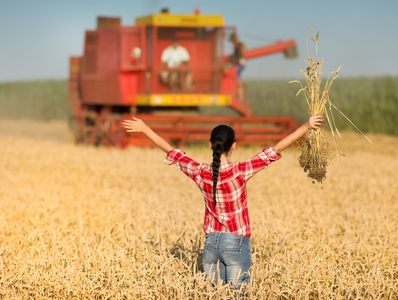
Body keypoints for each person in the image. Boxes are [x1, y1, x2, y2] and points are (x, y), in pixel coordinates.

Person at [122, 115, 324, 289]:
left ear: (210, 145)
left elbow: (172, 152)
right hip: (236, 243)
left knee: (213, 294)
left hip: (211, 245)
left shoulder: (200, 171)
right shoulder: (240, 171)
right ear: (234, 145)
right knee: (238, 295)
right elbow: (276, 149)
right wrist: (306, 126)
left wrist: (145, 129)